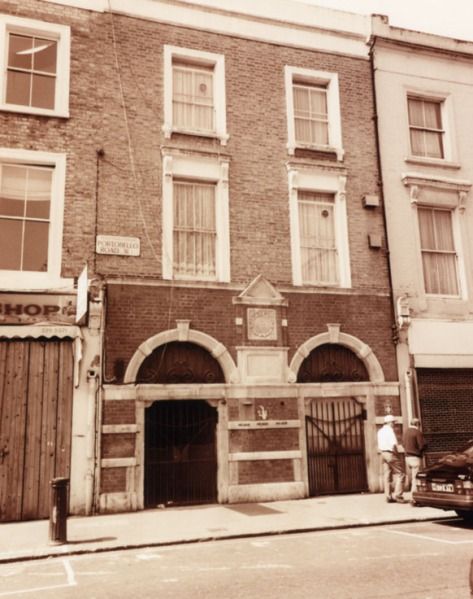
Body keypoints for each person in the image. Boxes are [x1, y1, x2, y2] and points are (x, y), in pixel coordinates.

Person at [377, 414, 406, 503]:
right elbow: (394, 444)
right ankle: (398, 495)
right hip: (390, 453)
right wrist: (396, 455)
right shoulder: (389, 430)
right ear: (389, 423)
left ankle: (388, 496)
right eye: (393, 422)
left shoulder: (380, 431)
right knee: (401, 473)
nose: (394, 424)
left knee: (387, 475)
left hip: (383, 453)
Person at [403, 418, 427, 500]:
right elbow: (421, 445)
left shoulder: (406, 432)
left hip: (407, 457)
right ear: (417, 424)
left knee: (412, 476)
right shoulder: (417, 432)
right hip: (415, 457)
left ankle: (414, 494)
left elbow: (403, 444)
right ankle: (414, 497)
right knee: (415, 478)